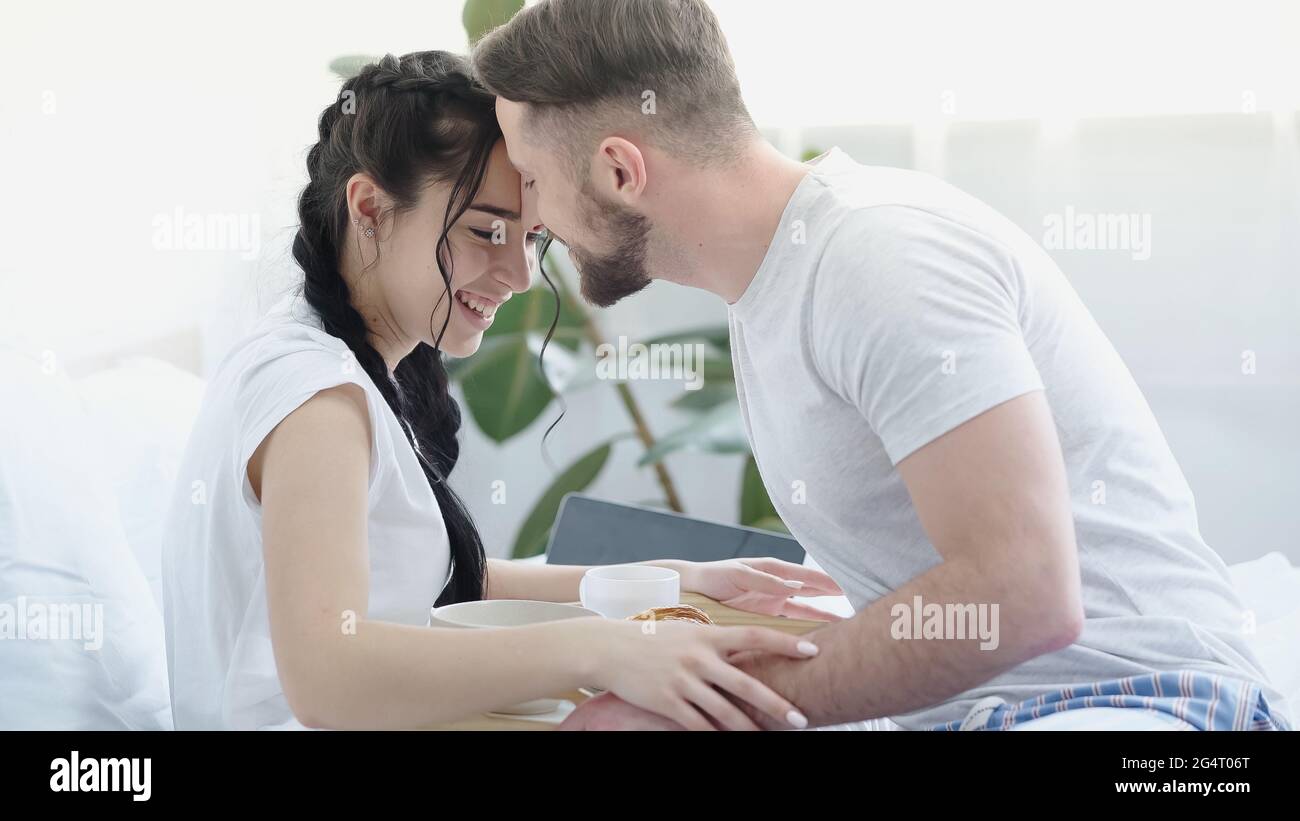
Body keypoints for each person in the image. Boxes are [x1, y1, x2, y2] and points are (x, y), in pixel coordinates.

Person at [471, 0, 1290, 730]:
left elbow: (1025, 590)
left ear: (620, 169)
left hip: (1139, 704)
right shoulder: (771, 284)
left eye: (536, 182)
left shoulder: (877, 257)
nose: (532, 221)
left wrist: (716, 702)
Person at [160, 50, 844, 731]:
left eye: (532, 239)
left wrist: (669, 579)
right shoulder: (317, 399)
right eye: (486, 230)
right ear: (369, 208)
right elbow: (327, 675)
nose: (518, 274)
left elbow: (442, 578)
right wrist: (598, 649)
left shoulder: (338, 366)